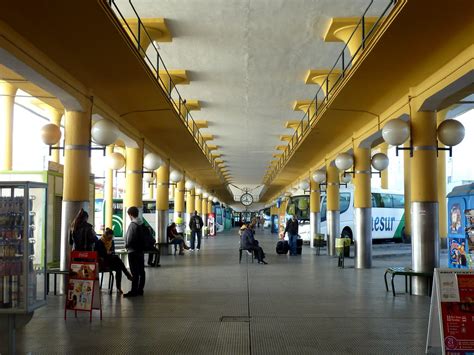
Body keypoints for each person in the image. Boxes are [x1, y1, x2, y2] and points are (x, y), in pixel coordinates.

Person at [96, 228, 133, 294]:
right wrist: (107, 253)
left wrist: (109, 253)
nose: (110, 239)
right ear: (106, 235)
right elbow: (100, 254)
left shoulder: (111, 242)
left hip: (111, 260)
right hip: (103, 262)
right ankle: (127, 274)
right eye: (109, 237)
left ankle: (118, 287)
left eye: (111, 237)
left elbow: (113, 251)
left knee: (119, 268)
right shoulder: (99, 242)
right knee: (117, 259)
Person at [124, 206, 146, 297]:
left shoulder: (133, 225)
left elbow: (129, 239)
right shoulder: (141, 224)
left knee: (134, 272)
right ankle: (140, 290)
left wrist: (127, 246)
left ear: (130, 214)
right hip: (140, 251)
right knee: (141, 271)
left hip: (133, 251)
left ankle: (134, 291)